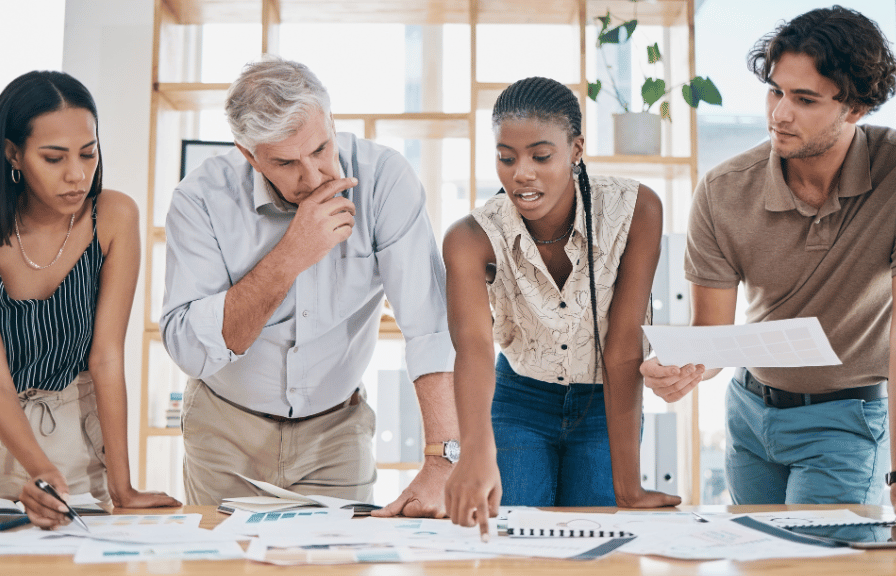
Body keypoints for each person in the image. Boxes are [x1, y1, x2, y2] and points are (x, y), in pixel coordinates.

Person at [160, 56, 458, 515]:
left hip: (335, 431)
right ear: (249, 155)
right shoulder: (199, 200)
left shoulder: (385, 180)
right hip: (224, 428)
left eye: (320, 149)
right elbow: (191, 352)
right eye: (286, 162)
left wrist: (442, 460)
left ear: (332, 123)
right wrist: (289, 256)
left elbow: (429, 325)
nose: (315, 176)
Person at [640, 6, 896, 517]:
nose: (779, 113)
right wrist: (680, 370)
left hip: (848, 419)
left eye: (804, 99)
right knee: (758, 572)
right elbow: (711, 336)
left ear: (856, 107)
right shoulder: (723, 190)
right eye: (775, 91)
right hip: (750, 413)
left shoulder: (895, 175)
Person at [443, 76, 681, 535]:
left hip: (602, 404)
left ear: (576, 149)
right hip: (519, 401)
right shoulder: (469, 238)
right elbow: (472, 346)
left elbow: (624, 343)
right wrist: (473, 450)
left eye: (541, 155)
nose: (521, 173)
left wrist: (629, 486)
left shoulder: (637, 210)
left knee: (597, 551)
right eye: (505, 157)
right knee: (514, 547)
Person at [0, 70, 181, 528]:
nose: (77, 175)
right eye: (54, 158)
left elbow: (106, 358)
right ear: (13, 154)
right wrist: (38, 469)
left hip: (75, 435)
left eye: (89, 153)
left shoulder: (114, 216)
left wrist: (123, 488)